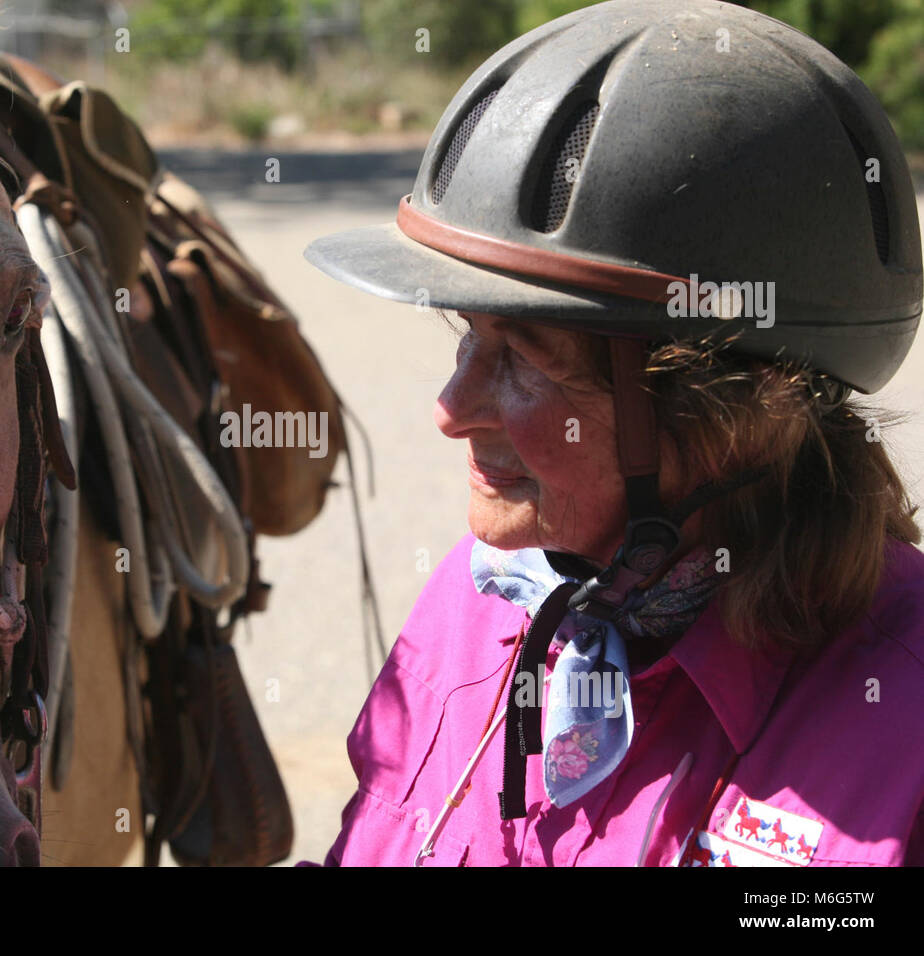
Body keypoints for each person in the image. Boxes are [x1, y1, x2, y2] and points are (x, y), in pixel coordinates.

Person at [303, 0, 924, 866]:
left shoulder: (900, 725)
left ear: (726, 416)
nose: (449, 411)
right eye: (466, 339)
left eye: (525, 359)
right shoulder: (478, 601)